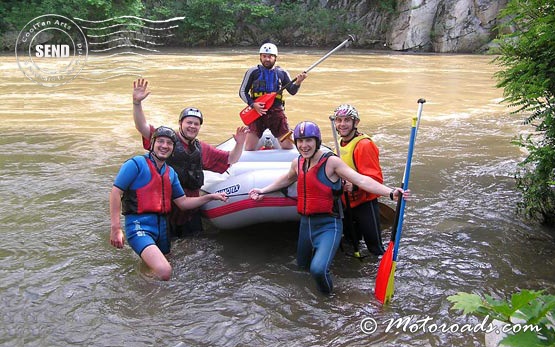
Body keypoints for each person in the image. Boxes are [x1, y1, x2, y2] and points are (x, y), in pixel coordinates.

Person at [248, 121, 408, 294]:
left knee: (317, 270)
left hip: (328, 226)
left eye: (308, 140)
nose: (304, 145)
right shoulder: (297, 162)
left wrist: (390, 192)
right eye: (300, 141)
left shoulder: (331, 162)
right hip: (305, 226)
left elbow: (360, 180)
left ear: (317, 141)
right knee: (301, 268)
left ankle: (329, 300)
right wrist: (263, 190)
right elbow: (287, 179)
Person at [132, 78, 248, 238]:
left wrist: (240, 143)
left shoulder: (202, 149)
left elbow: (231, 160)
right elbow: (142, 127)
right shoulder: (165, 140)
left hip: (190, 209)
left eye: (196, 124)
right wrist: (137, 103)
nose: (192, 126)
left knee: (195, 250)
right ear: (180, 123)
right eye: (189, 122)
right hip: (165, 206)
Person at [109, 126, 228, 280]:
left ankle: (147, 294)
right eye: (160, 141)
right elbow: (116, 192)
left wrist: (210, 197)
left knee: (163, 269)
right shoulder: (136, 164)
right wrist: (116, 228)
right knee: (165, 271)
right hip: (139, 225)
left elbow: (183, 202)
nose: (164, 146)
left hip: (163, 228)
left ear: (173, 149)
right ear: (152, 144)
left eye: (169, 143)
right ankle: (141, 294)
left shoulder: (170, 173)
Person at [330, 104, 385, 256]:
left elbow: (375, 179)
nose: (342, 124)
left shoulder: (364, 145)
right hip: (346, 205)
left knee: (375, 249)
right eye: (339, 120)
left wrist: (353, 186)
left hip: (364, 204)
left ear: (356, 122)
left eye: (347, 120)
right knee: (350, 245)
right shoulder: (337, 144)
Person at [239, 42, 307, 151]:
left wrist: (298, 82)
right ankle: (261, 143)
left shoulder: (282, 73)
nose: (267, 59)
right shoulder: (253, 72)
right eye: (264, 56)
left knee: (288, 147)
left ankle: (274, 141)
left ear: (275, 58)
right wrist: (253, 104)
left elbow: (292, 91)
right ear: (260, 57)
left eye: (270, 56)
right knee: (249, 148)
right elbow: (242, 92)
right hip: (257, 113)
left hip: (276, 113)